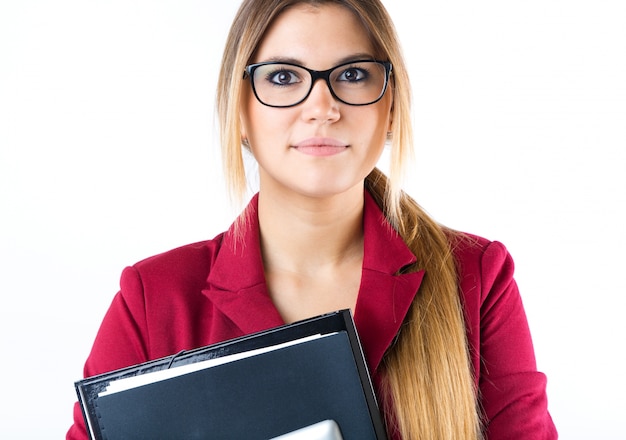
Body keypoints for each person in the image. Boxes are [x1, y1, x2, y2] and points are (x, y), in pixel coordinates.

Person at [67, 0, 557, 438]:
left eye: (352, 75)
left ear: (391, 107)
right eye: (283, 77)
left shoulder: (476, 277)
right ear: (239, 111)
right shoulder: (153, 299)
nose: (321, 108)